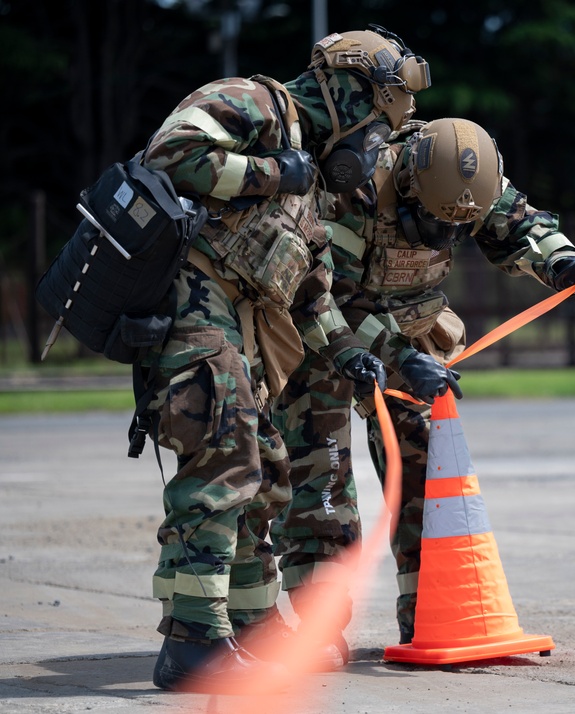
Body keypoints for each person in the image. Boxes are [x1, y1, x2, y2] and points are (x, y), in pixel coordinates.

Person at [137, 26, 430, 693]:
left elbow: (315, 300)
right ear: (344, 91)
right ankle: (192, 639)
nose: (370, 142)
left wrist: (354, 356)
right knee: (226, 454)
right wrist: (270, 172)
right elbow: (168, 153)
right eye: (370, 119)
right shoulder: (256, 104)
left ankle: (252, 627)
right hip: (190, 310)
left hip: (241, 328)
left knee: (269, 469)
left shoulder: (313, 191)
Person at [270, 117, 575, 649]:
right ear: (410, 185)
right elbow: (330, 296)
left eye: (458, 227)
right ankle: (319, 628)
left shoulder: (472, 183)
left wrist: (565, 262)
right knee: (321, 477)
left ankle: (430, 611)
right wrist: (401, 358)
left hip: (411, 339)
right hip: (328, 342)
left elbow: (524, 225)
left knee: (429, 472)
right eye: (431, 222)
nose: (445, 237)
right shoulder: (355, 186)